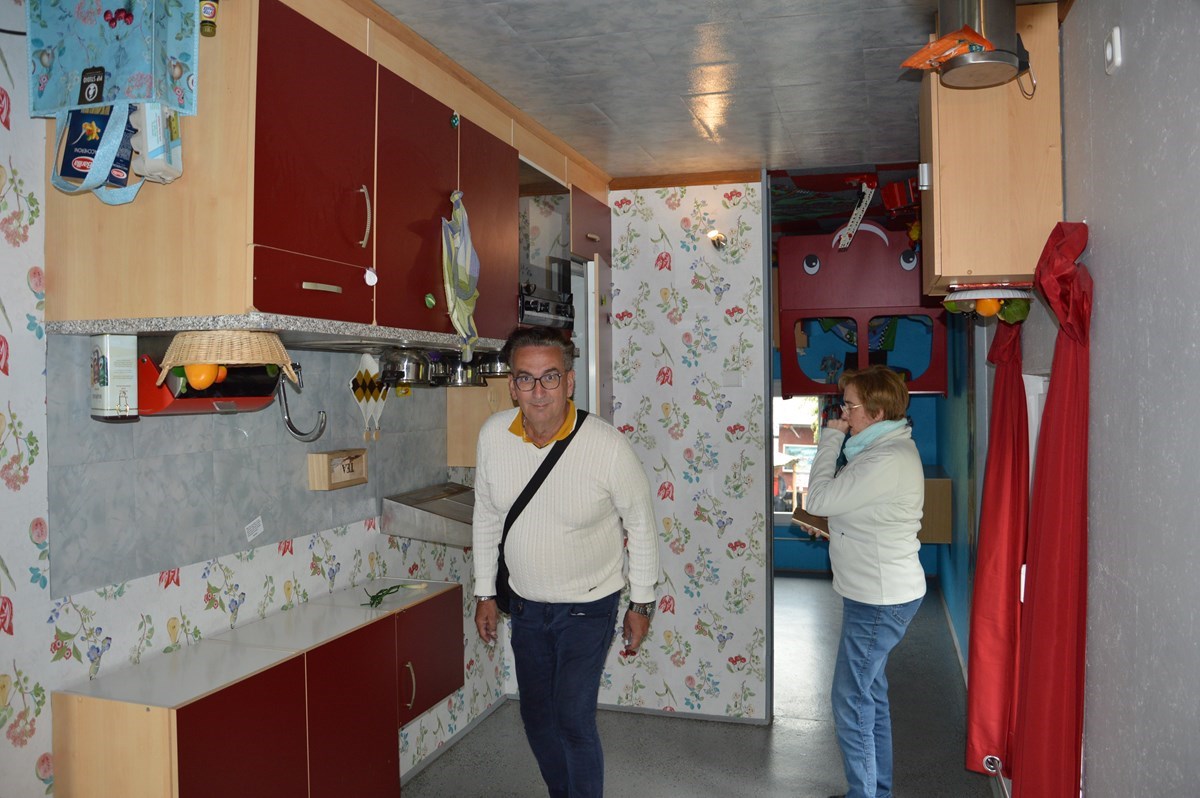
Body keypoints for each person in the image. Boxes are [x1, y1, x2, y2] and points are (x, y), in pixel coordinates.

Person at [472, 326, 660, 798]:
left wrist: (642, 604)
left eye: (550, 377)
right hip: (527, 606)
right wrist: (485, 592)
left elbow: (641, 525)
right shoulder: (493, 436)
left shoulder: (607, 446)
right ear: (512, 386)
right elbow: (487, 517)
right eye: (526, 378)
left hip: (588, 606)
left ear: (570, 382)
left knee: (573, 718)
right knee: (537, 717)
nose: (539, 391)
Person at [804, 365, 926, 798]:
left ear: (876, 413)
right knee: (868, 696)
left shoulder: (883, 459)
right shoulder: (881, 451)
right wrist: (834, 527)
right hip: (876, 593)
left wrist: (830, 438)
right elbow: (862, 510)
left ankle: (866, 794)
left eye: (850, 406)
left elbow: (818, 498)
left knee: (851, 700)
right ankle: (877, 791)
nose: (844, 413)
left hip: (879, 599)